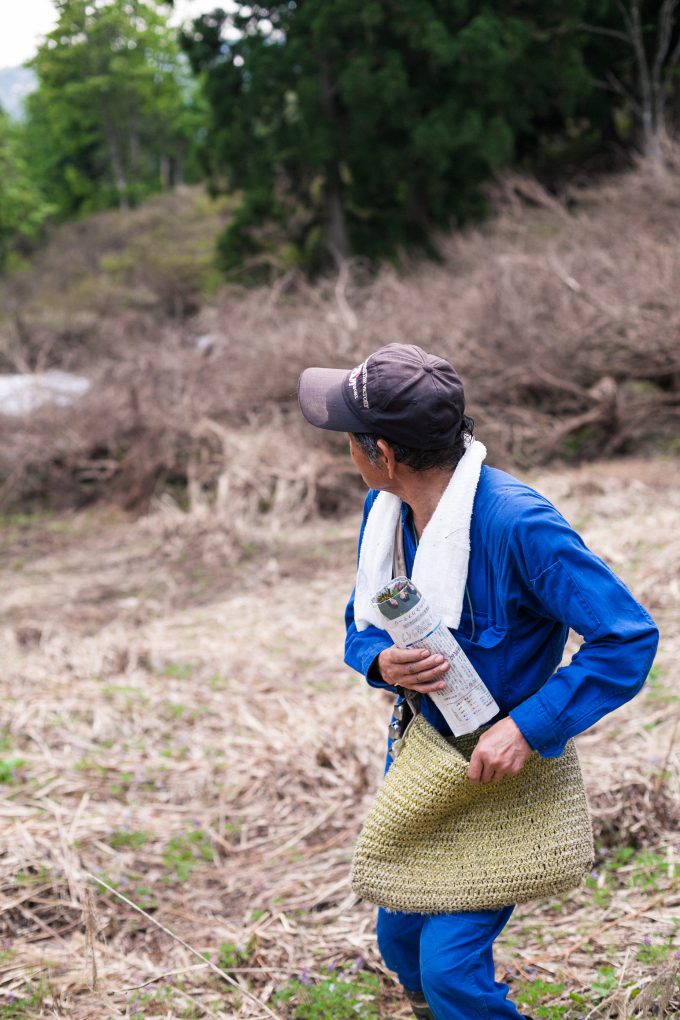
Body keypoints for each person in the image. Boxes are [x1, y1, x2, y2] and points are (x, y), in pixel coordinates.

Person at [297, 343, 659, 1020]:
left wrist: (529, 726)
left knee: (451, 970)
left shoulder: (518, 524)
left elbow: (626, 637)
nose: (346, 451)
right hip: (419, 757)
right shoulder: (386, 516)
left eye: (351, 438)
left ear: (385, 454)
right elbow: (359, 624)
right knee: (399, 937)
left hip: (500, 772)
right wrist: (377, 661)